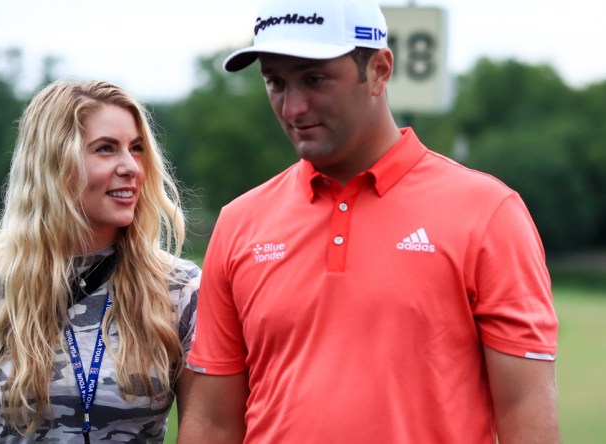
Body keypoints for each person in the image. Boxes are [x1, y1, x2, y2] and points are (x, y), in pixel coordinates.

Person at [178, 0, 560, 443]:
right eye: (275, 83)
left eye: (314, 79)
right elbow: (214, 420)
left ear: (379, 69)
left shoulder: (488, 213)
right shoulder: (240, 221)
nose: (293, 107)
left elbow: (523, 409)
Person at [0, 79, 200, 443]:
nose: (131, 167)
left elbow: (210, 426)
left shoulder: (180, 288)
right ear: (54, 163)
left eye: (137, 148)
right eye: (106, 149)